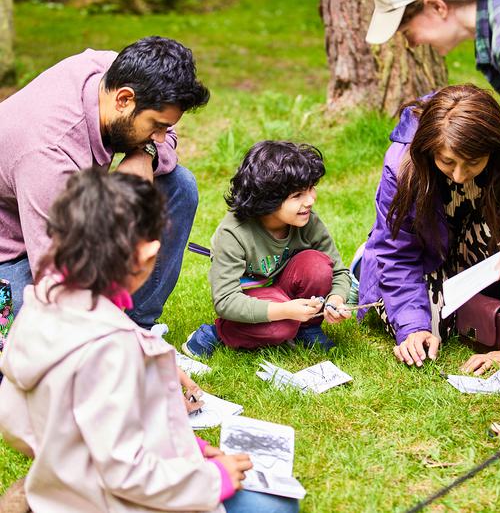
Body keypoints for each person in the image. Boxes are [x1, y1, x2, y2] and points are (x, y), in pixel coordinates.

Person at [0, 169, 299, 513]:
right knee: (273, 506)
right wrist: (211, 478)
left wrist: (189, 447)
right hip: (111, 503)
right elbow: (127, 473)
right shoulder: (112, 348)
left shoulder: (38, 306)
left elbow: (15, 420)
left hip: (60, 487)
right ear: (147, 254)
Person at [366, 0, 500, 465]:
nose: (409, 41)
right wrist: (413, 323)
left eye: (408, 24)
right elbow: (395, 249)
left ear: (436, 5)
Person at [0, 36, 209, 330]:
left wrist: (144, 155)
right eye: (156, 126)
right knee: (35, 316)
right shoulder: (49, 157)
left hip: (69, 212)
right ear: (123, 100)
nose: (162, 137)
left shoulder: (112, 71)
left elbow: (166, 139)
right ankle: (117, 334)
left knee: (178, 186)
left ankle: (138, 324)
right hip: (16, 252)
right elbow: (55, 275)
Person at [357, 85, 500, 372]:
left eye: (473, 163)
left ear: (493, 148)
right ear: (429, 149)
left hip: (483, 257)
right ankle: (363, 263)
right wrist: (412, 328)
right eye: (447, 161)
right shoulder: (402, 164)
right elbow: (396, 251)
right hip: (423, 252)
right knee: (431, 333)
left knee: (478, 327)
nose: (459, 175)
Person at [183, 140, 351, 358]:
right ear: (268, 201)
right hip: (252, 297)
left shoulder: (308, 223)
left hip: (285, 291)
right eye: (297, 195)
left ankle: (307, 327)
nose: (310, 200)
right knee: (281, 327)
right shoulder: (234, 232)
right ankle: (219, 332)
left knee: (317, 265)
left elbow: (338, 272)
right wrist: (284, 311)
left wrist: (336, 300)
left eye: (311, 188)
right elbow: (225, 300)